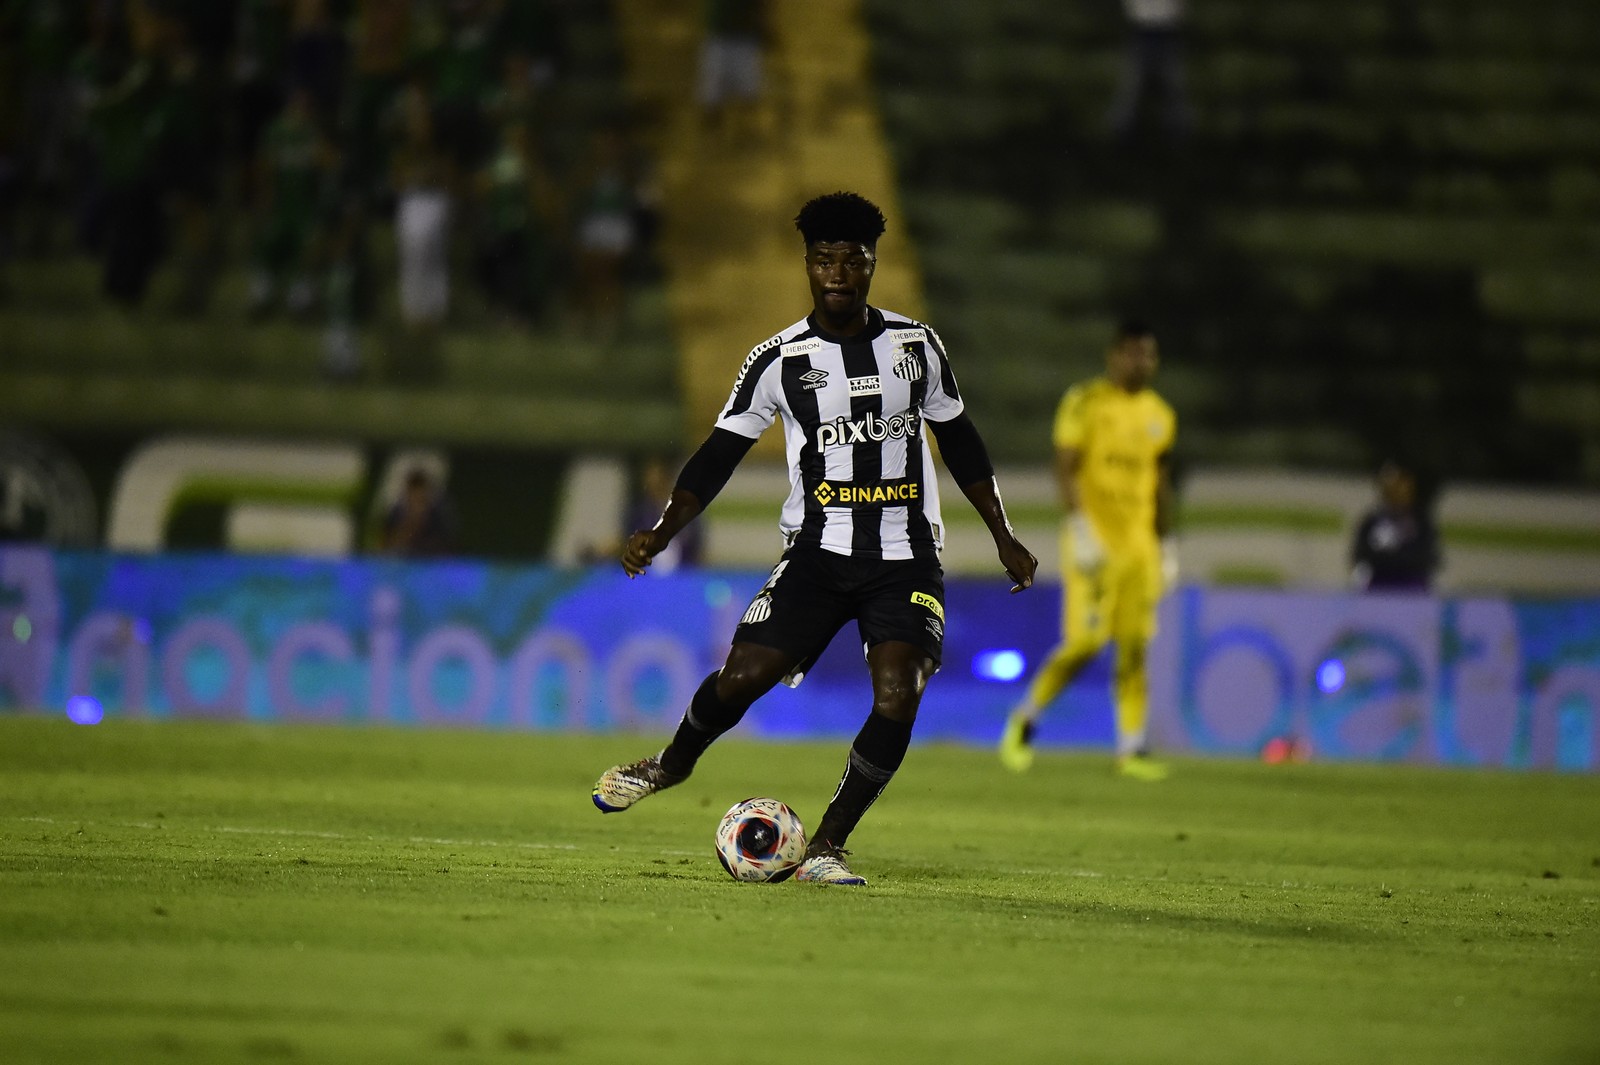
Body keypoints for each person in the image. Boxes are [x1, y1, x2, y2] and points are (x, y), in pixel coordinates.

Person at [591, 191, 1038, 886]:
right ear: (807, 264)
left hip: (905, 558)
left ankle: (827, 845)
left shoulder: (917, 347)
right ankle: (670, 763)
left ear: (871, 265)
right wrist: (662, 528)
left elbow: (960, 437)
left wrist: (1003, 533)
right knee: (743, 677)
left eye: (851, 260)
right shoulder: (778, 359)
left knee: (899, 691)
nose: (837, 273)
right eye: (824, 259)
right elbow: (717, 454)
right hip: (817, 554)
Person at [999, 320, 1177, 780]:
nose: (1143, 363)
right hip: (1096, 544)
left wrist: (1166, 542)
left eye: (1150, 355)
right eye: (1135, 353)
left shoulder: (1160, 414)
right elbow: (1065, 466)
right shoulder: (1086, 402)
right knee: (1085, 642)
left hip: (1140, 549)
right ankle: (1024, 721)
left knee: (1135, 647)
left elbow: (1159, 482)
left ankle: (1131, 748)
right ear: (1114, 355)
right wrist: (1079, 528)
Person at [1349, 459, 1440, 592]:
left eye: (1403, 484)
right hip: (1379, 583)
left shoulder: (1421, 521)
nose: (1398, 490)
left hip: (1412, 585)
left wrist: (1398, 560)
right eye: (1393, 485)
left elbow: (1429, 556)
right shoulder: (1372, 520)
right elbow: (1360, 555)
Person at [379, 467, 457, 557]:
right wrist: (410, 522)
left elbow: (448, 547)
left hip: (430, 562)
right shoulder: (396, 513)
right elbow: (385, 544)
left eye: (420, 498)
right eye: (413, 497)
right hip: (402, 562)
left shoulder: (438, 515)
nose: (416, 501)